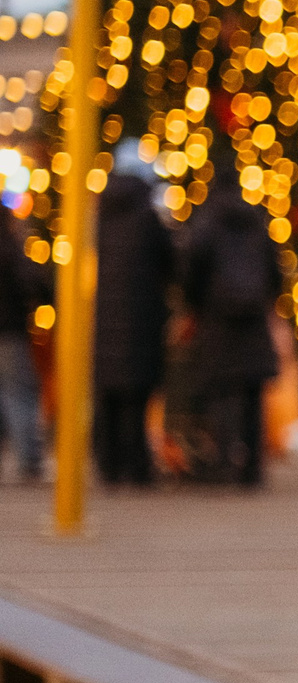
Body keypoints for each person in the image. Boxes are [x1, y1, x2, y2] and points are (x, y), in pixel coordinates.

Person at [181, 175, 282, 487]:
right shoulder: (256, 221)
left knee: (222, 391)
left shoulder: (206, 224)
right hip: (253, 319)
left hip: (217, 320)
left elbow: (191, 271)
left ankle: (225, 464)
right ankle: (252, 469)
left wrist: (194, 306)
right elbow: (275, 271)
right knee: (252, 393)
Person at [92, 142, 177, 487]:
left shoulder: (102, 212)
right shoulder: (148, 217)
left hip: (106, 318)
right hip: (141, 318)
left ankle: (109, 467)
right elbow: (169, 263)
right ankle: (136, 467)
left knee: (110, 397)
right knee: (137, 400)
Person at [0, 205, 46, 485]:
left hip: (9, 329)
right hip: (9, 330)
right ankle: (28, 459)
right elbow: (32, 282)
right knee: (19, 393)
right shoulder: (10, 248)